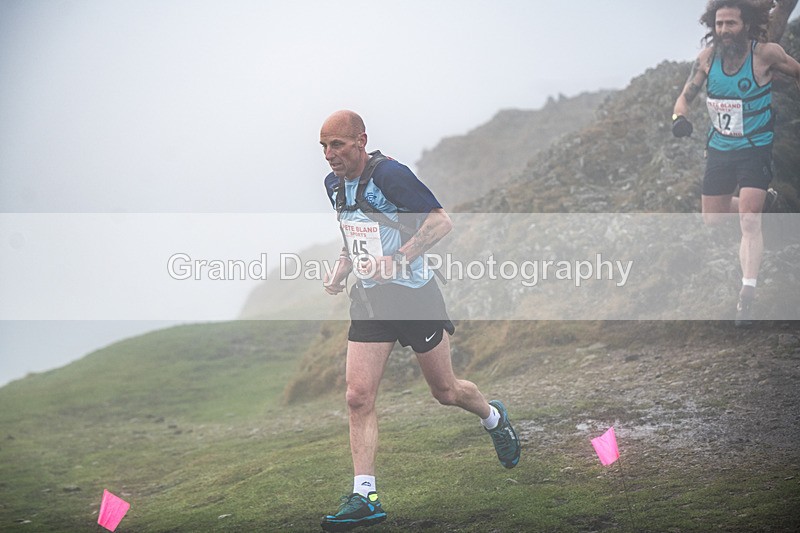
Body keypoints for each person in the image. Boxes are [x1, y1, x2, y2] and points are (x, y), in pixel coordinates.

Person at [318, 110, 521, 531]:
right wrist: (343, 265)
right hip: (371, 302)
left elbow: (440, 221)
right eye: (323, 146)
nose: (329, 154)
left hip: (414, 299)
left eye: (336, 144)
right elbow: (353, 230)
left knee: (445, 391)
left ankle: (493, 417)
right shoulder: (333, 185)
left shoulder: (390, 174)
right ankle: (364, 495)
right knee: (357, 396)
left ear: (360, 140)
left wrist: (397, 260)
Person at [671, 0, 800, 326]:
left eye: (731, 24)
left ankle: (747, 295)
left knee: (749, 220)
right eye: (720, 24)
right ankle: (766, 202)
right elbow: (685, 97)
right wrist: (679, 118)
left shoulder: (765, 54)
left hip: (755, 148)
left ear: (745, 25)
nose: (725, 30)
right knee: (712, 218)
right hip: (720, 150)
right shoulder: (707, 59)